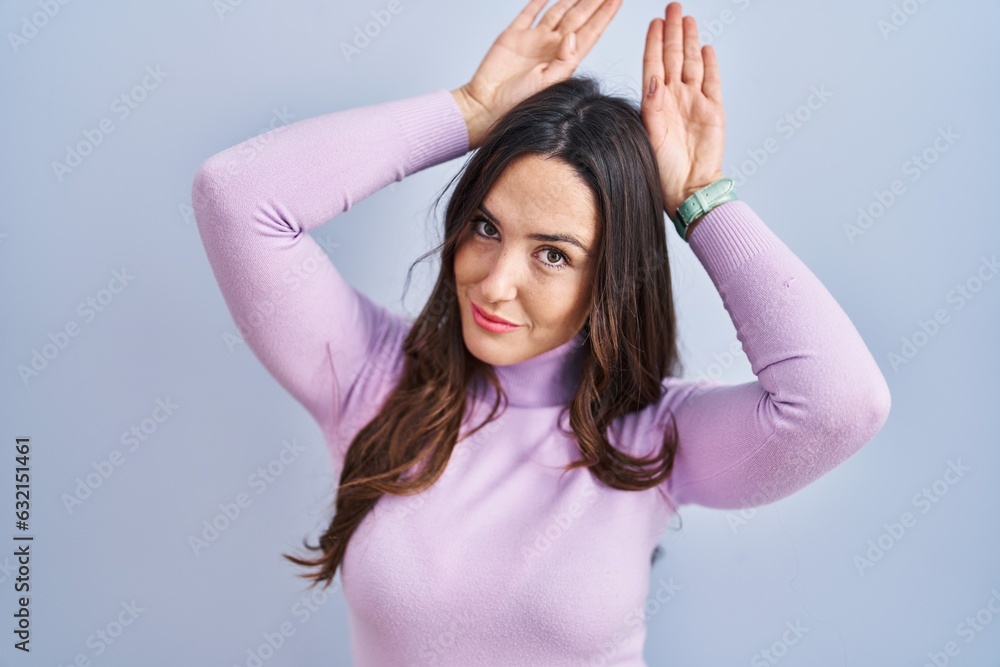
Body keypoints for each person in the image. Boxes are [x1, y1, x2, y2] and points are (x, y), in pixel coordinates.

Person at [190, 1, 891, 664]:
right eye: (486, 228)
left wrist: (699, 199)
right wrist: (465, 113)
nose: (495, 283)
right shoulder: (372, 378)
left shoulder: (651, 438)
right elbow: (236, 196)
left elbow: (840, 403)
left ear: (611, 280)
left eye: (553, 255)